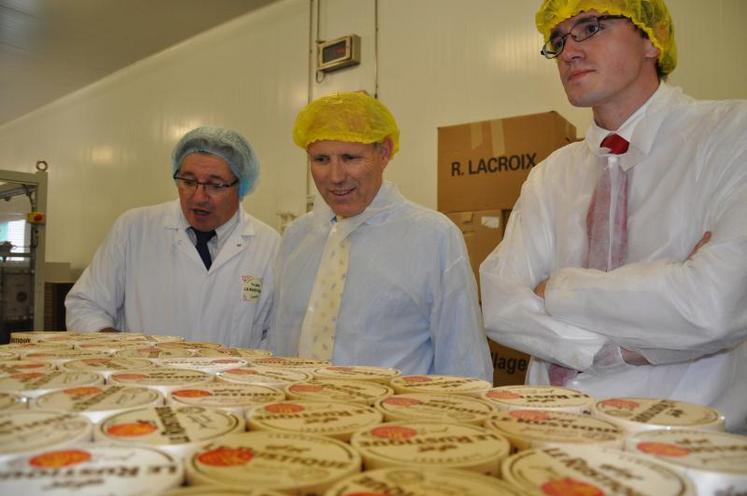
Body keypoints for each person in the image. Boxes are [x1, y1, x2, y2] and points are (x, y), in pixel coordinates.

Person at [480, 0, 747, 433]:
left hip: (682, 446)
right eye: (559, 39)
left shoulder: (732, 136)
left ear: (651, 40)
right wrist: (631, 344)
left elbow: (712, 306)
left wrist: (557, 290)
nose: (569, 51)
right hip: (553, 432)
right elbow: (501, 306)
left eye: (590, 26)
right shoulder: (550, 174)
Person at [268, 92, 493, 381]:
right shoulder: (297, 238)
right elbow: (278, 340)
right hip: (299, 417)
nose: (335, 176)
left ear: (384, 152)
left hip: (394, 420)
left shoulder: (433, 236)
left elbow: (463, 356)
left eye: (350, 158)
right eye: (321, 159)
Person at [66, 126, 279, 347]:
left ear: (241, 186)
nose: (198, 197)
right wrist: (123, 351)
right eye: (188, 181)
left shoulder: (269, 245)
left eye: (215, 185)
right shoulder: (134, 229)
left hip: (233, 380)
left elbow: (275, 333)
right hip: (144, 378)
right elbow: (85, 305)